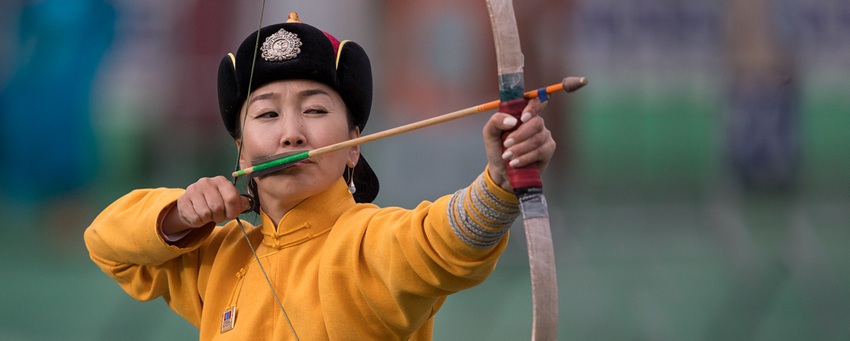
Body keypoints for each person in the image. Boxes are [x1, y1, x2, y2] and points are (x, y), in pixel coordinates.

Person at [85, 13, 555, 340]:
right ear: (241, 151)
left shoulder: (368, 244)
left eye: (314, 110)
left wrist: (499, 179)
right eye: (267, 115)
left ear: (353, 146)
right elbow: (106, 244)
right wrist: (177, 216)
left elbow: (442, 240)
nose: (291, 134)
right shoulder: (217, 258)